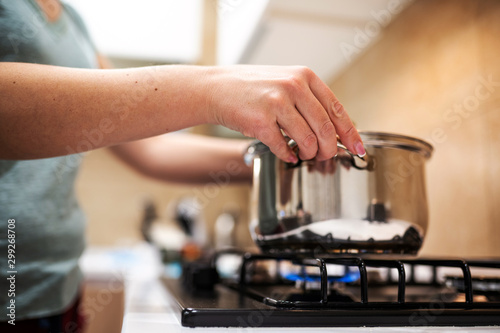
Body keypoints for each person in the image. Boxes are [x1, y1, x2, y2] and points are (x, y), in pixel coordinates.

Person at [0, 0, 365, 332]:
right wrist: (211, 89)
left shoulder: (74, 22)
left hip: (57, 286)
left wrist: (278, 159)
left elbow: (150, 148)